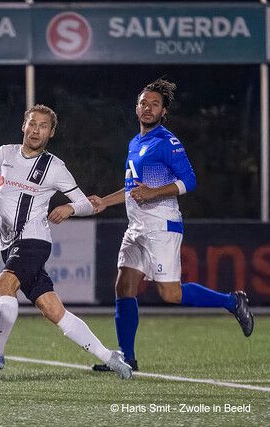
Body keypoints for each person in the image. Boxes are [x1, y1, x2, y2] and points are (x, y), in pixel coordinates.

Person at [90, 79, 254, 373]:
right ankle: (127, 358)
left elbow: (189, 181)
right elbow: (132, 188)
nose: (148, 108)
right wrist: (104, 201)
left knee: (170, 294)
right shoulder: (135, 142)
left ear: (163, 110)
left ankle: (231, 301)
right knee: (124, 287)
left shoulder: (168, 142)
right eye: (143, 103)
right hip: (136, 226)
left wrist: (153, 192)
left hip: (161, 226)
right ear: (136, 107)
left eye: (154, 104)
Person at [0, 105, 132, 379]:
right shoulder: (4, 153)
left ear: (51, 133)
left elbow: (85, 204)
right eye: (32, 124)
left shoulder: (55, 167)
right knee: (53, 310)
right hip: (9, 244)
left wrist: (70, 209)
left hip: (35, 240)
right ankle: (110, 357)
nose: (36, 130)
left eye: (43, 126)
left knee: (4, 284)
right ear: (23, 125)